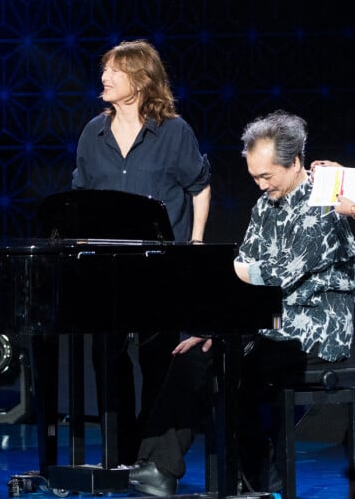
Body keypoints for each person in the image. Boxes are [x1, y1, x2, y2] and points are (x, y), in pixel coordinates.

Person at [127, 110, 355, 496]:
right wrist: (219, 325)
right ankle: (158, 468)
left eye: (268, 176)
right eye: (254, 177)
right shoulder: (265, 206)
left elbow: (280, 271)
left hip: (318, 323)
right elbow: (246, 260)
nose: (261, 185)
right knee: (193, 354)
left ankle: (254, 474)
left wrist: (227, 287)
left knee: (238, 360)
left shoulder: (325, 201)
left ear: (295, 161)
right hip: (268, 320)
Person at [71, 39, 211, 464]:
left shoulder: (174, 131)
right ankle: (118, 451)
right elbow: (80, 194)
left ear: (141, 79)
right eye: (104, 70)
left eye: (115, 71)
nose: (104, 78)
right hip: (107, 269)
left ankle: (152, 457)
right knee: (108, 361)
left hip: (160, 268)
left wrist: (196, 242)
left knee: (157, 359)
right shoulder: (93, 133)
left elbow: (199, 186)